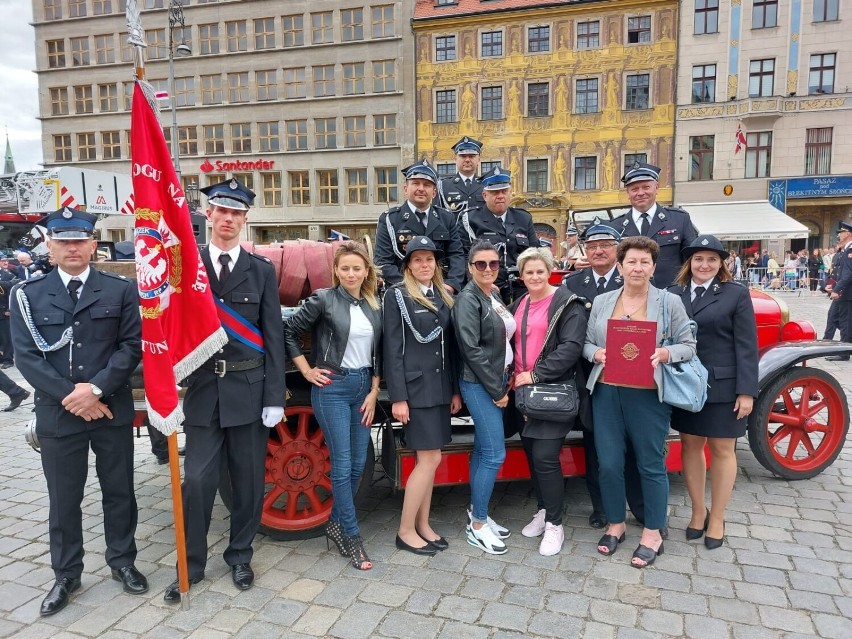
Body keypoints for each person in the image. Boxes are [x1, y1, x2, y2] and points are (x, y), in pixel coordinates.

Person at [10, 207, 146, 615]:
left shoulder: (120, 290)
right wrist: (75, 396)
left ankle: (123, 561)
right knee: (63, 498)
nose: (72, 247)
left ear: (92, 245)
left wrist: (97, 389)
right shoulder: (29, 295)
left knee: (119, 491)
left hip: (110, 409)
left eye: (79, 240)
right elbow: (27, 357)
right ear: (48, 245)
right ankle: (66, 573)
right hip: (59, 413)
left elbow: (130, 347)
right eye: (63, 240)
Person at [165, 178, 286, 603]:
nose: (228, 219)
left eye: (237, 213)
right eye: (222, 211)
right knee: (197, 480)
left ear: (245, 220)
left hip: (249, 389)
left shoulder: (261, 271)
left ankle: (239, 556)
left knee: (248, 482)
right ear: (208, 215)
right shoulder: (186, 266)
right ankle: (192, 563)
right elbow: (167, 323)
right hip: (202, 390)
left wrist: (275, 396)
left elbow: (273, 335)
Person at [583, 236, 696, 568]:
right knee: (609, 463)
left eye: (644, 262)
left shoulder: (668, 303)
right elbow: (586, 343)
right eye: (631, 261)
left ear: (653, 267)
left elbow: (689, 345)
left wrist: (665, 353)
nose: (637, 267)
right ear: (620, 267)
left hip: (647, 395)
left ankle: (652, 531)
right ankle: (616, 523)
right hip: (606, 391)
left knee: (650, 463)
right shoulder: (603, 301)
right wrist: (596, 353)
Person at [284, 242, 383, 570]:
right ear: (336, 271)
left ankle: (336, 523)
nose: (351, 274)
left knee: (358, 465)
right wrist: (306, 369)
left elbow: (378, 351)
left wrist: (374, 389)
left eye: (357, 268)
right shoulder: (324, 299)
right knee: (341, 466)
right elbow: (288, 331)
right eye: (345, 268)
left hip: (362, 390)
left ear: (366, 271)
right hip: (333, 389)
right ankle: (352, 536)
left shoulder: (372, 304)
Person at [669, 235, 758, 549]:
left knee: (723, 450)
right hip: (685, 385)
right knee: (690, 446)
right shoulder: (673, 293)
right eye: (697, 259)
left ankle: (717, 517)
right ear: (689, 263)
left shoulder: (735, 294)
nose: (703, 265)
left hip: (723, 386)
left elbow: (747, 346)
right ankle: (697, 511)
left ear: (721, 263)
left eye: (711, 259)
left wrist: (746, 391)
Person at [563, 224, 646, 531]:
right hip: (591, 378)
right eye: (593, 244)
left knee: (636, 446)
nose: (599, 250)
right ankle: (602, 508)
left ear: (618, 249)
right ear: (584, 249)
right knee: (596, 446)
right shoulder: (572, 283)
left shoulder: (634, 279)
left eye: (606, 244)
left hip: (634, 376)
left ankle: (639, 507)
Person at [383, 236, 461, 556]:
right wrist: (398, 397)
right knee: (429, 459)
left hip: (440, 389)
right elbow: (392, 348)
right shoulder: (397, 296)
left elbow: (450, 349)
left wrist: (454, 390)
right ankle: (405, 531)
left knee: (428, 460)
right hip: (416, 391)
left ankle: (423, 525)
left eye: (429, 259)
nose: (424, 265)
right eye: (417, 260)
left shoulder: (442, 296)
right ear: (408, 266)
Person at [511, 247, 588, 556]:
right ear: (521, 276)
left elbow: (571, 347)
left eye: (540, 271)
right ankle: (543, 511)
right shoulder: (520, 303)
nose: (535, 276)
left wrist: (535, 374)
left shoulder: (568, 303)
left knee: (545, 457)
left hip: (552, 392)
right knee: (532, 454)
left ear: (550, 270)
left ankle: (556, 524)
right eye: (529, 272)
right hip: (522, 393)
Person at [452, 240, 515, 554]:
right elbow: (471, 350)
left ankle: (479, 514)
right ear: (469, 267)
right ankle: (477, 526)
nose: (488, 269)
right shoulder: (468, 299)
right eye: (481, 264)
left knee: (482, 450)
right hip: (480, 384)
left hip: (495, 380)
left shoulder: (494, 293)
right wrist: (497, 389)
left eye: (493, 263)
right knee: (494, 454)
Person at [375, 160, 466, 294]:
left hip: (441, 290)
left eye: (427, 185)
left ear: (434, 192)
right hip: (404, 291)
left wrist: (451, 284)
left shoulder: (447, 218)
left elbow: (457, 255)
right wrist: (412, 287)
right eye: (416, 183)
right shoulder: (389, 219)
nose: (421, 189)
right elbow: (383, 262)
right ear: (406, 189)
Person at [605, 162, 697, 288]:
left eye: (646, 187)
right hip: (630, 297)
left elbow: (693, 259)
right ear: (628, 193)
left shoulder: (679, 219)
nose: (640, 193)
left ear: (656, 188)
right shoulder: (615, 226)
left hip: (671, 295)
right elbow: (608, 264)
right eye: (634, 189)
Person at [459, 167, 540, 303]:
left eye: (504, 191)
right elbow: (464, 256)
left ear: (510, 193)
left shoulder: (523, 218)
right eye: (495, 192)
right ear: (485, 195)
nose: (500, 196)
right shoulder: (470, 219)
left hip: (522, 289)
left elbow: (535, 253)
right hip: (485, 290)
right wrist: (480, 283)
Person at [436, 136, 485, 215]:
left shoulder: (485, 185)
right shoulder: (443, 186)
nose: (467, 160)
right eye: (463, 156)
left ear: (478, 160)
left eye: (472, 156)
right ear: (455, 159)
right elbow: (437, 216)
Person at [827, 222, 852, 361]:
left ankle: (844, 353)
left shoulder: (850, 251)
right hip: (844, 292)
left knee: (844, 322)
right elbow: (841, 274)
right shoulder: (845, 251)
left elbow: (848, 275)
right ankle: (847, 345)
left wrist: (837, 289)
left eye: (841, 232)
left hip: (847, 294)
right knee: (834, 317)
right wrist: (832, 285)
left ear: (848, 233)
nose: (839, 234)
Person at [0, 265, 19, 367]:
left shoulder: (7, 275)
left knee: (6, 336)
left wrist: (9, 308)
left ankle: (8, 359)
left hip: (3, 310)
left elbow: (10, 292)